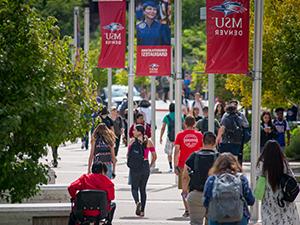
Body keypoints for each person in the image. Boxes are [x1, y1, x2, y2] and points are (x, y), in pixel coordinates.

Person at [203, 153, 255, 225]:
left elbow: (205, 201)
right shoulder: (241, 178)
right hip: (239, 218)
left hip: (217, 218)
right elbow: (251, 200)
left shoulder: (212, 179)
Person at [256, 140, 300, 225]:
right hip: (284, 200)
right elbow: (293, 179)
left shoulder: (261, 164)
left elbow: (258, 181)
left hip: (269, 202)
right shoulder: (283, 162)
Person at [182, 132, 218, 225]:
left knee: (195, 222)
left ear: (202, 142)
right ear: (215, 143)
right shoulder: (219, 157)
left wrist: (185, 190)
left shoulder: (194, 156)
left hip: (196, 194)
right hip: (214, 195)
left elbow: (185, 175)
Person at [174, 115, 203, 217]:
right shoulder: (199, 135)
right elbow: (202, 150)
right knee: (195, 188)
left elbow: (177, 151)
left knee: (185, 189)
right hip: (197, 165)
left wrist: (175, 165)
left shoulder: (180, 135)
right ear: (194, 123)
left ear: (185, 124)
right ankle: (195, 209)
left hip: (183, 165)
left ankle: (187, 209)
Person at [128, 124, 157, 217]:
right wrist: (150, 165)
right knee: (143, 189)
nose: (133, 132)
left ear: (139, 132)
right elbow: (154, 156)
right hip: (145, 165)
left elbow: (128, 155)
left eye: (135, 130)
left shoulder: (132, 141)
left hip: (135, 167)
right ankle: (142, 211)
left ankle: (137, 202)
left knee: (134, 188)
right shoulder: (149, 142)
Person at [160, 103, 176, 173]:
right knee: (178, 152)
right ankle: (176, 166)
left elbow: (163, 128)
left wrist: (161, 137)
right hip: (178, 137)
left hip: (169, 137)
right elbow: (184, 126)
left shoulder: (167, 117)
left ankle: (170, 167)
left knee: (169, 153)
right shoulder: (179, 116)